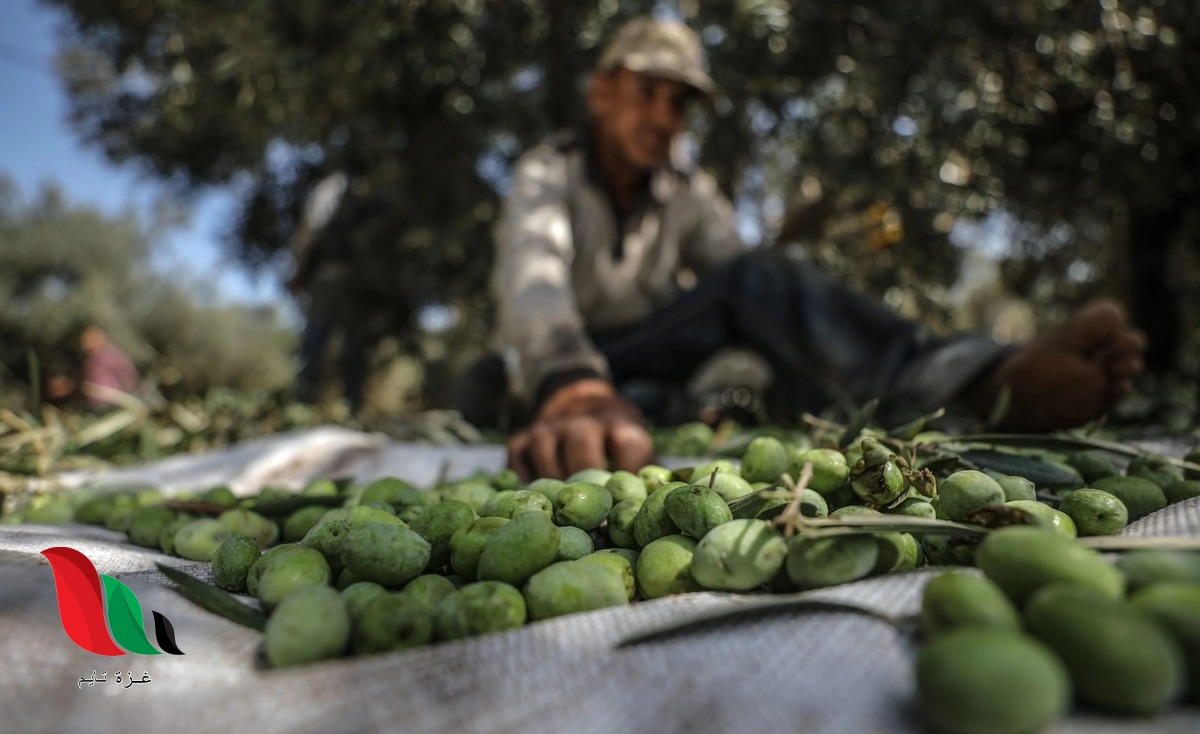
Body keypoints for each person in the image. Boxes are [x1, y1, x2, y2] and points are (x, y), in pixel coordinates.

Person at [486, 16, 1146, 480]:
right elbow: (531, 281)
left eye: (679, 104)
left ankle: (966, 386)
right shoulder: (550, 172)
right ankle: (588, 411)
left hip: (649, 352)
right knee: (490, 386)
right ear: (601, 92)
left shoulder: (688, 190)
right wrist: (571, 384)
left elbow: (742, 282)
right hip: (571, 360)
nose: (663, 118)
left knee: (758, 293)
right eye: (646, 93)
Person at [289, 171, 370, 415]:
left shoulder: (331, 186)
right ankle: (351, 406)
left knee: (318, 332)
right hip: (359, 277)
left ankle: (303, 400)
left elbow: (310, 227)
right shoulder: (368, 189)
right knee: (352, 340)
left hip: (331, 273)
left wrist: (300, 268)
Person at [77, 324, 141, 411]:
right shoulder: (90, 363)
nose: (88, 344)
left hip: (118, 404)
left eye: (92, 339)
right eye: (85, 341)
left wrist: (133, 395)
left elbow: (129, 376)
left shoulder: (111, 356)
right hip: (98, 409)